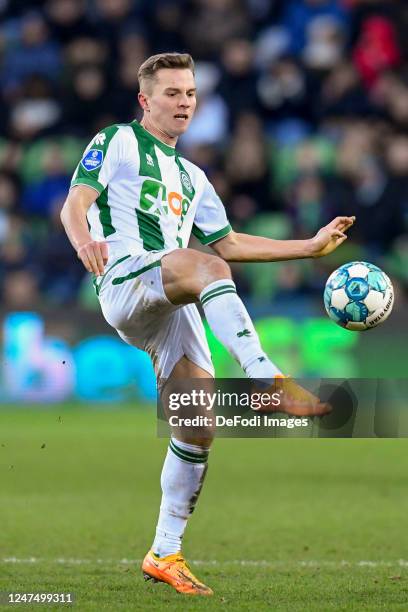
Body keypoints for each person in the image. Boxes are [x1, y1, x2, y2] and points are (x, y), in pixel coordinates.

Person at [60, 52, 355, 596]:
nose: (184, 102)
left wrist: (310, 247)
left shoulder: (193, 176)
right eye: (172, 93)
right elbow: (75, 203)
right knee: (205, 266)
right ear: (145, 101)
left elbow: (232, 243)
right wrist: (85, 242)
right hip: (126, 277)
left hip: (171, 297)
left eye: (190, 93)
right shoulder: (117, 140)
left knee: (197, 426)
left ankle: (165, 553)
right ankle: (266, 378)